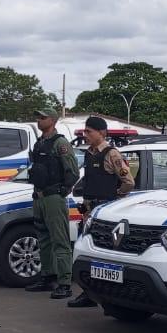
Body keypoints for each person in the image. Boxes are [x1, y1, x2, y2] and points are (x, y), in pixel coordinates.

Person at [69, 115, 136, 307]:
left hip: (104, 213)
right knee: (85, 251)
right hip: (89, 211)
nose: (85, 134)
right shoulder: (89, 153)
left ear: (102, 133)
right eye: (85, 131)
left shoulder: (111, 154)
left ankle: (105, 294)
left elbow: (128, 182)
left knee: (103, 254)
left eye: (89, 131)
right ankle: (88, 293)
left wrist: (114, 197)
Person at [28, 107, 78, 299]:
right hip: (39, 196)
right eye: (38, 117)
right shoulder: (40, 142)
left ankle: (65, 282)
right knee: (43, 239)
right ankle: (47, 276)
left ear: (53, 121)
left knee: (60, 240)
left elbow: (72, 171)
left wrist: (63, 191)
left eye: (43, 118)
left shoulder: (60, 143)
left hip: (53, 197)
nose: (39, 121)